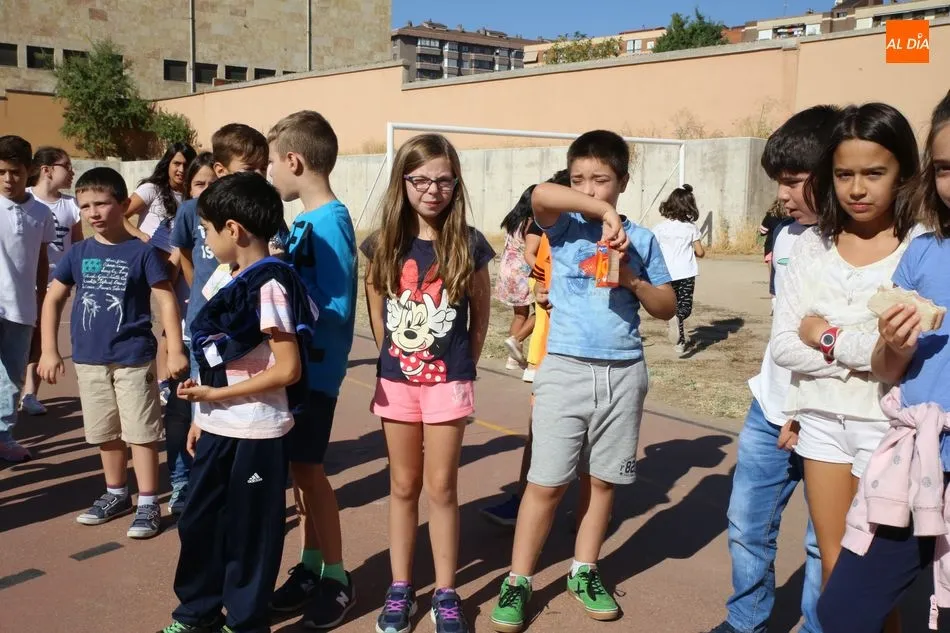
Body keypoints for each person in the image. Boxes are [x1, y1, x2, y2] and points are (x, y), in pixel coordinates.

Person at [489, 130, 675, 632]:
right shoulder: (564, 226)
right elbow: (539, 196)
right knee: (546, 483)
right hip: (565, 369)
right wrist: (603, 211)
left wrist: (632, 277)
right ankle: (518, 579)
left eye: (602, 180)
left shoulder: (644, 239)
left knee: (602, 481)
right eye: (579, 180)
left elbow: (666, 307)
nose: (589, 188)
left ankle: (584, 570)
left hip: (624, 371)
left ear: (624, 181)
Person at [770, 103, 921, 633]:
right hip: (821, 423)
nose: (857, 189)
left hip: (889, 426)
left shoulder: (921, 247)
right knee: (834, 564)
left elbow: (904, 357)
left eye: (874, 173)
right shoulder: (812, 245)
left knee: (872, 581)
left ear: (903, 171)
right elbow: (784, 347)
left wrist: (825, 336)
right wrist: (867, 354)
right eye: (843, 174)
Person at [159, 172, 319, 633]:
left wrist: (217, 396)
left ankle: (246, 621)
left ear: (234, 230)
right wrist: (201, 414)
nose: (205, 240)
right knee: (199, 523)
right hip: (216, 426)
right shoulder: (226, 277)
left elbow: (288, 369)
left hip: (256, 431)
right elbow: (214, 358)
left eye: (208, 231)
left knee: (250, 532)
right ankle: (197, 612)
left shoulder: (270, 284)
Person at [702, 105, 840, 633]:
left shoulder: (861, 246)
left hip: (826, 418)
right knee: (746, 524)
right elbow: (786, 332)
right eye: (778, 181)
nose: (782, 194)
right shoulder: (785, 238)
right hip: (769, 408)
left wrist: (804, 407)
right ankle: (745, 621)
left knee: (823, 541)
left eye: (794, 181)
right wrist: (781, 401)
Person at [816, 90, 950, 633]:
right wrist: (894, 344)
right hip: (916, 460)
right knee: (842, 609)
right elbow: (889, 368)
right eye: (946, 168)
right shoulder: (925, 251)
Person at [362, 134, 493, 633]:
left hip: (448, 383)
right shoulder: (383, 244)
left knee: (441, 487)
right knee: (402, 485)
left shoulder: (470, 244)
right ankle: (400, 588)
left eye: (443, 181)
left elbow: (480, 313)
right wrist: (393, 357)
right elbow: (376, 306)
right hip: (396, 382)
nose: (432, 190)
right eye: (420, 180)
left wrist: (464, 364)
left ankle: (445, 592)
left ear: (456, 184)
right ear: (403, 182)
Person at [38, 167, 188, 538]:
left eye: (102, 203)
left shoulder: (143, 253)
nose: (93, 213)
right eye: (85, 206)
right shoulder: (79, 253)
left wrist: (174, 350)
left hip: (133, 358)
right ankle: (117, 493)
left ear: (122, 205)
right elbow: (53, 298)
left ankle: (149, 502)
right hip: (89, 360)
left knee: (141, 432)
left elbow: (166, 300)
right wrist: (49, 350)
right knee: (105, 431)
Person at [266, 110, 359, 629]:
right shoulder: (305, 221)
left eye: (272, 163)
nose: (269, 174)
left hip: (316, 374)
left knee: (310, 473)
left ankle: (338, 577)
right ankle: (310, 565)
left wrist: (282, 284)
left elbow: (338, 305)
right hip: (295, 369)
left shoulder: (331, 222)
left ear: (294, 161)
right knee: (301, 475)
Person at [167, 124, 269, 514]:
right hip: (204, 331)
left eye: (263, 168)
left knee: (238, 408)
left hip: (245, 336)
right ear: (223, 170)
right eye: (251, 169)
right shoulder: (191, 211)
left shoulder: (260, 209)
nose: (259, 175)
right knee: (200, 410)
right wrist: (205, 299)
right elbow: (185, 257)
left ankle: (240, 485)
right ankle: (192, 484)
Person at [481, 170, 568, 527]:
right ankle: (523, 502)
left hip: (575, 356)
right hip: (546, 354)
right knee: (540, 429)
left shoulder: (600, 242)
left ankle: (593, 509)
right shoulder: (544, 235)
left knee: (583, 441)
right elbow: (534, 259)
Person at [0, 136, 55, 462]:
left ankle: (3, 436)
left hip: (22, 307)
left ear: (29, 170)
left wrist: (42, 298)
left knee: (13, 375)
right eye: (1, 172)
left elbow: (42, 260)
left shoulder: (41, 213)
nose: (8, 179)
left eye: (15, 172)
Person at [20, 146, 82, 416]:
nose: (71, 172)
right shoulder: (25, 199)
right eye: (66, 166)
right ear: (47, 170)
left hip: (55, 285)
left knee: (42, 339)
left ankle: (30, 393)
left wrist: (79, 278)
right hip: (22, 283)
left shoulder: (71, 205)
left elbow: (77, 245)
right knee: (15, 339)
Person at [653, 184, 706, 355]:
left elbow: (653, 249)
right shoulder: (691, 228)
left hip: (666, 273)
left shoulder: (660, 227)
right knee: (684, 307)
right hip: (686, 272)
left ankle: (680, 342)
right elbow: (700, 252)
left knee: (672, 306)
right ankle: (679, 334)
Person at [494, 187, 536, 370]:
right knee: (541, 312)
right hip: (522, 272)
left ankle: (513, 358)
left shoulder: (513, 218)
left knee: (520, 314)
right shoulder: (531, 223)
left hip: (508, 270)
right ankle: (516, 339)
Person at [125, 142, 197, 240]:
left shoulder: (193, 196)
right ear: (168, 164)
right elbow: (120, 215)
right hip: (149, 249)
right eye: (177, 163)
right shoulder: (151, 189)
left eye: (186, 165)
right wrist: (139, 235)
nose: (182, 170)